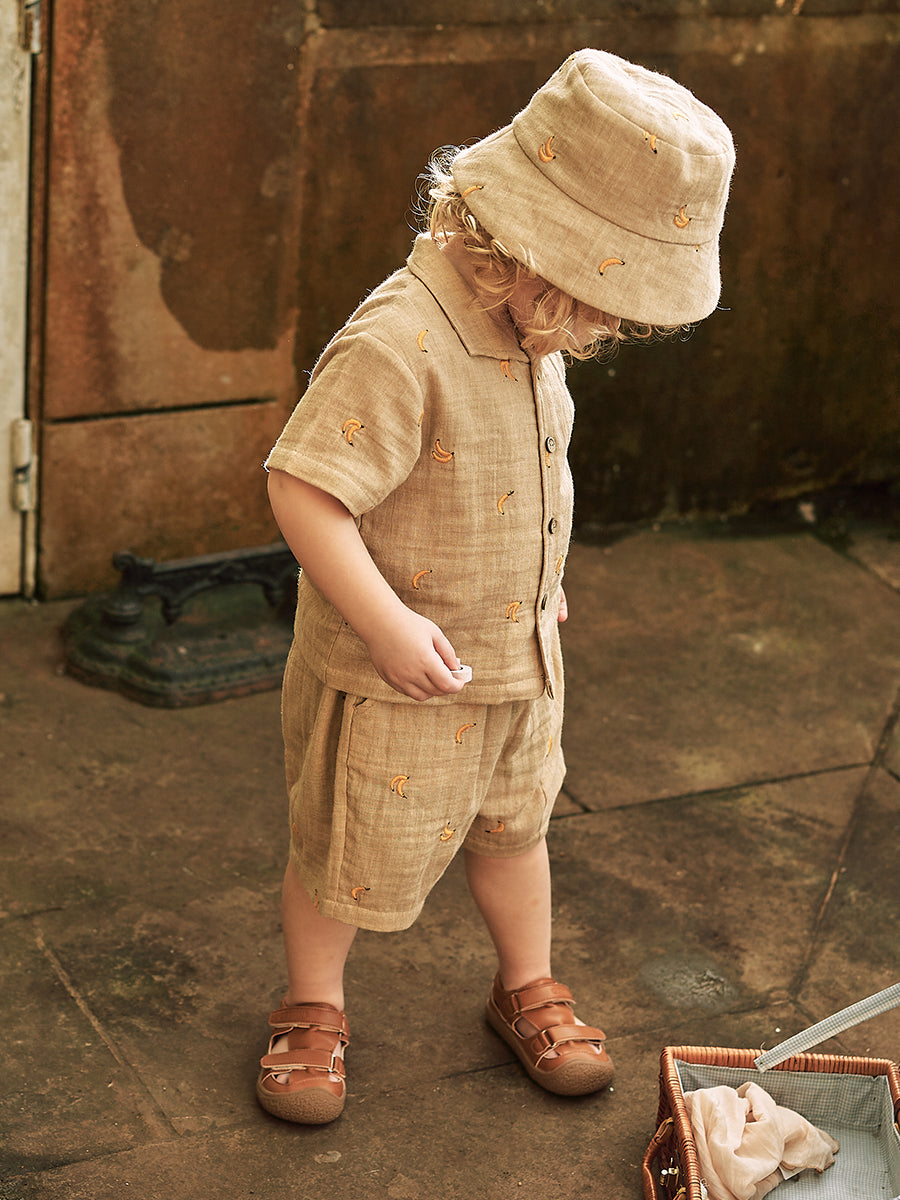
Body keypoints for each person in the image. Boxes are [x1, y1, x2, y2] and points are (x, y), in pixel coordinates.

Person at [257, 47, 735, 1124]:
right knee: (344, 848)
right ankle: (312, 1005)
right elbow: (304, 488)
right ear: (533, 254)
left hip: (516, 666)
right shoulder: (401, 340)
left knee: (517, 829)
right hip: (395, 679)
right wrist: (384, 622)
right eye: (603, 307)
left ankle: (527, 983)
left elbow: (527, 472)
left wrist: (543, 579)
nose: (606, 332)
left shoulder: (527, 326)